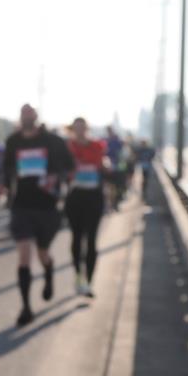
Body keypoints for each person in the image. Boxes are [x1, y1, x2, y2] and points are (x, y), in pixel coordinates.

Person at [3, 103, 75, 327]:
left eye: (30, 114)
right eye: (23, 114)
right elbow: (6, 168)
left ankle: (49, 272)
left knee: (43, 254)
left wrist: (56, 178)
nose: (26, 117)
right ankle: (26, 307)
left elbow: (70, 168)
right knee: (24, 255)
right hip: (22, 206)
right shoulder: (12, 142)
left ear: (35, 117)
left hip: (47, 207)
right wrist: (5, 184)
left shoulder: (53, 141)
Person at [65, 118, 109, 298]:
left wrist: (106, 167)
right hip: (75, 197)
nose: (80, 131)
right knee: (76, 238)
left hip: (94, 197)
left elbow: (103, 167)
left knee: (91, 240)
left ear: (87, 129)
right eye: (77, 128)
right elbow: (63, 170)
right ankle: (78, 275)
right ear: (73, 130)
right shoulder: (68, 148)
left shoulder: (97, 146)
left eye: (83, 128)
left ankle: (89, 282)